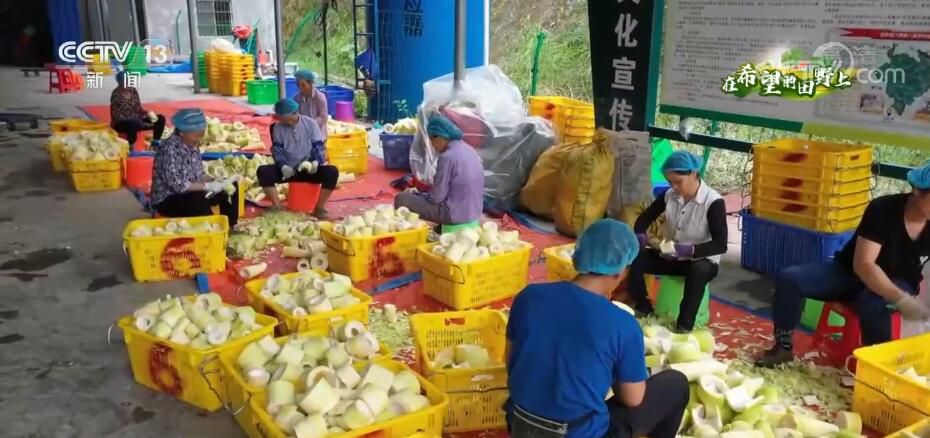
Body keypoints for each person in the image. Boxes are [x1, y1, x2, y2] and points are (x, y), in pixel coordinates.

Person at [506, 219, 689, 438]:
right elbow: (633, 398)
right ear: (620, 271)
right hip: (576, 433)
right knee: (675, 383)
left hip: (520, 424)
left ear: (579, 257)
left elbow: (511, 361)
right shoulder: (623, 324)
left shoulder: (528, 297)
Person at [756, 163, 930, 367]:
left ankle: (877, 367)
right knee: (789, 279)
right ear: (917, 191)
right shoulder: (883, 209)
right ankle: (782, 348)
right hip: (850, 272)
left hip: (898, 279)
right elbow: (864, 265)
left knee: (871, 302)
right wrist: (901, 299)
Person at [627, 150, 728, 332]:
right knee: (634, 257)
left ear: (694, 174)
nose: (674, 186)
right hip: (672, 257)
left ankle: (684, 326)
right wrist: (640, 234)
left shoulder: (713, 202)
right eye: (670, 182)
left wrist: (689, 250)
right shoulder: (669, 195)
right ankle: (644, 307)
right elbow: (644, 218)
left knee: (699, 271)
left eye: (678, 181)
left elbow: (721, 244)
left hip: (701, 261)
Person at [151, 109, 238, 227]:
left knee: (230, 187)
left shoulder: (192, 145)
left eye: (201, 135)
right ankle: (212, 230)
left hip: (190, 192)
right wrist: (207, 186)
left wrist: (215, 180)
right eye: (196, 136)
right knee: (197, 199)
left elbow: (198, 174)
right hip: (168, 200)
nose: (199, 139)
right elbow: (177, 185)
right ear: (182, 132)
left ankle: (230, 225)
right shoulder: (169, 149)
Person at [256, 98, 339, 218]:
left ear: (296, 112)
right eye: (284, 120)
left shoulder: (310, 124)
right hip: (288, 171)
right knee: (263, 172)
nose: (288, 123)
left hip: (309, 169)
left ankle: (319, 208)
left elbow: (318, 147)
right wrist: (283, 166)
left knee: (332, 172)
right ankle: (277, 206)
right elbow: (277, 150)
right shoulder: (278, 128)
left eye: (290, 119)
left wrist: (315, 162)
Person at [394, 115, 483, 225]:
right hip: (475, 211)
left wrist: (420, 195)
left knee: (402, 198)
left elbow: (436, 197)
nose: (432, 145)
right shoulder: (469, 149)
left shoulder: (447, 157)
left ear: (439, 137)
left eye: (431, 140)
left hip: (454, 214)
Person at [110, 70, 166, 148]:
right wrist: (137, 120)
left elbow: (138, 105)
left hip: (138, 119)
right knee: (132, 124)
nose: (128, 83)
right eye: (125, 81)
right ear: (119, 82)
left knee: (160, 119)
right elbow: (116, 116)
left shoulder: (133, 90)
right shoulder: (116, 94)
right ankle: (131, 145)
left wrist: (145, 112)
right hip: (122, 123)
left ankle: (155, 142)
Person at [293, 69, 328, 138]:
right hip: (303, 133)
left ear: (310, 83)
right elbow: (296, 114)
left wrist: (310, 124)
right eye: (298, 85)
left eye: (303, 85)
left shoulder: (320, 97)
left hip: (318, 134)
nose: (300, 88)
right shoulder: (296, 98)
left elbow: (323, 118)